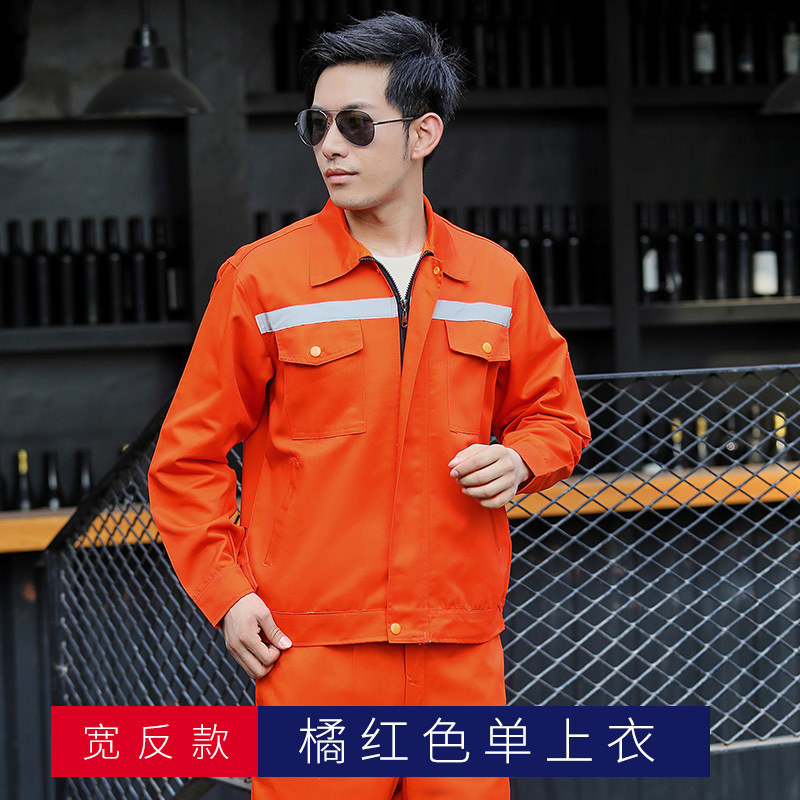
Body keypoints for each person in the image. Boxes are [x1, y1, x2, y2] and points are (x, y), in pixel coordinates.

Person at [148, 11, 591, 800]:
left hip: (458, 650)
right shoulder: (262, 281)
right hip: (313, 653)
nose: (330, 146)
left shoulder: (495, 280)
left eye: (355, 125)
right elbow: (187, 460)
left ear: (424, 133)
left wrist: (523, 458)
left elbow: (557, 417)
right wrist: (228, 595)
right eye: (315, 125)